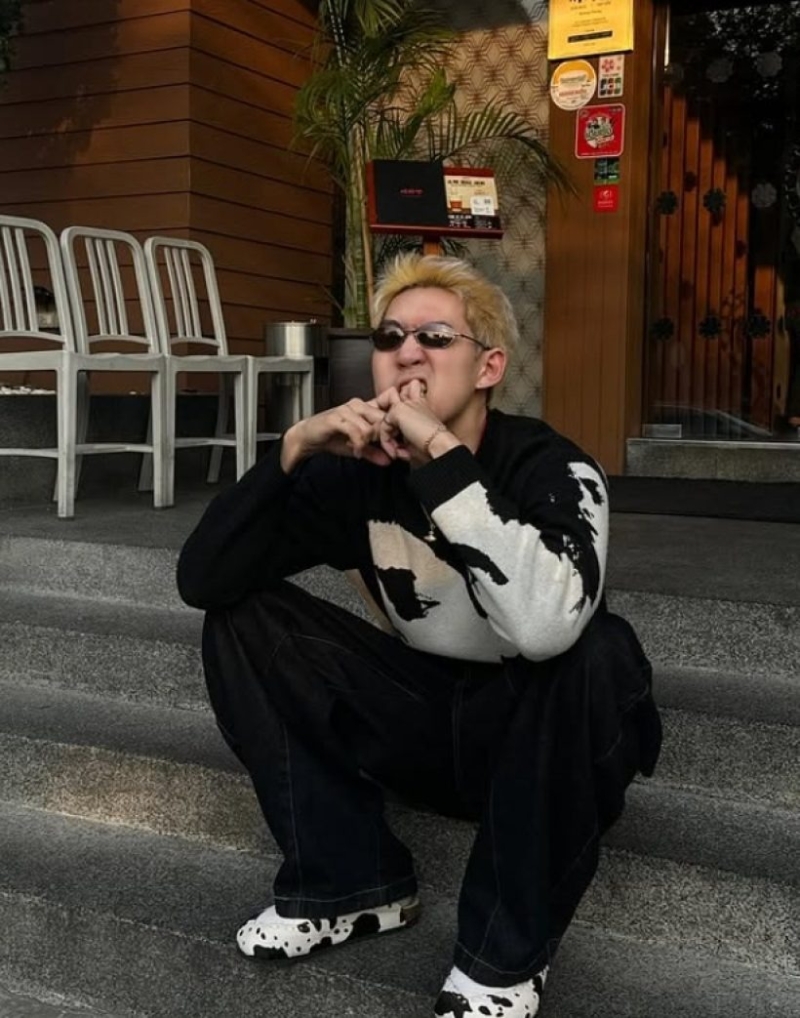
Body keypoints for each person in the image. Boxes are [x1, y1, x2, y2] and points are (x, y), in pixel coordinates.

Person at [177, 253, 662, 1018]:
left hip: (547, 732)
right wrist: (292, 449)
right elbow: (204, 579)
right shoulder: (358, 473)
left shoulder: (554, 468)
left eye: (435, 337)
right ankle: (351, 881)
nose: (407, 353)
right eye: (390, 337)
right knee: (244, 619)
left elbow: (543, 628)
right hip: (432, 720)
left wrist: (441, 456)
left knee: (598, 652)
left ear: (488, 367)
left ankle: (502, 959)